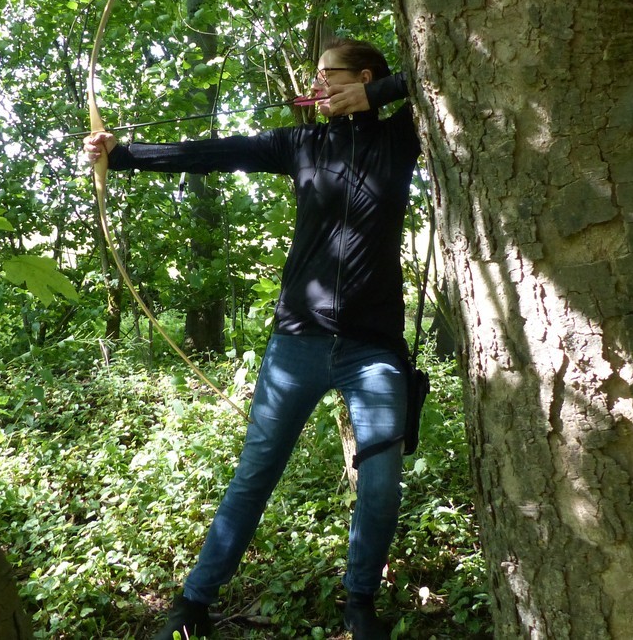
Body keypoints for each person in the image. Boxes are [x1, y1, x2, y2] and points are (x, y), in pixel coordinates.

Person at [83, 40, 421, 640]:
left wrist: (379, 96)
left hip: (373, 348)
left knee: (382, 482)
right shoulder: (302, 145)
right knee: (255, 475)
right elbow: (217, 152)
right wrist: (124, 154)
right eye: (315, 76)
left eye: (328, 76)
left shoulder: (401, 137)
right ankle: (193, 604)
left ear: (363, 76)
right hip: (297, 342)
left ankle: (360, 601)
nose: (316, 86)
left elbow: (444, 74)